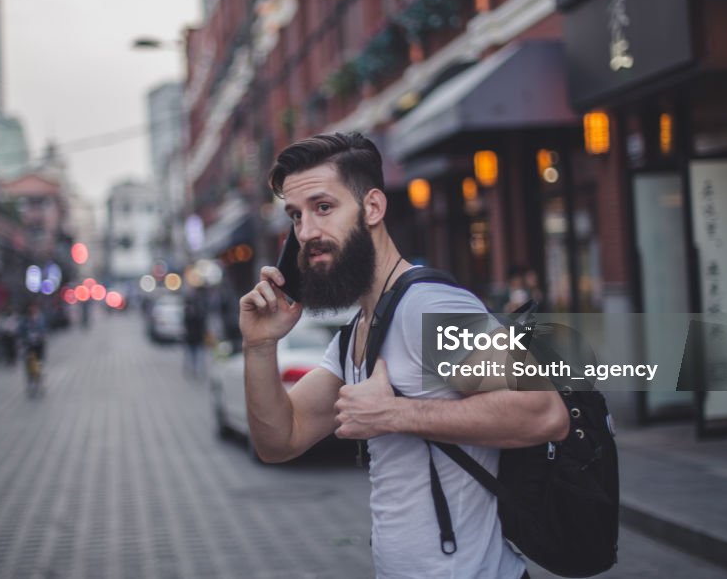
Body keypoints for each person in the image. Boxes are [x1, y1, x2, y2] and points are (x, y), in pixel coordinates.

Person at [239, 133, 569, 578]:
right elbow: (279, 441)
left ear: (372, 208)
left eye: (323, 207)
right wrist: (260, 346)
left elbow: (545, 412)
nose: (307, 233)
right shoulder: (360, 330)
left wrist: (395, 414)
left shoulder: (429, 308)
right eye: (296, 217)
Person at [183, 290, 207, 379]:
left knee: (194, 356)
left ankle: (195, 371)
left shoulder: (190, 312)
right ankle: (194, 371)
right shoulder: (190, 313)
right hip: (194, 338)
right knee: (194, 355)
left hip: (194, 338)